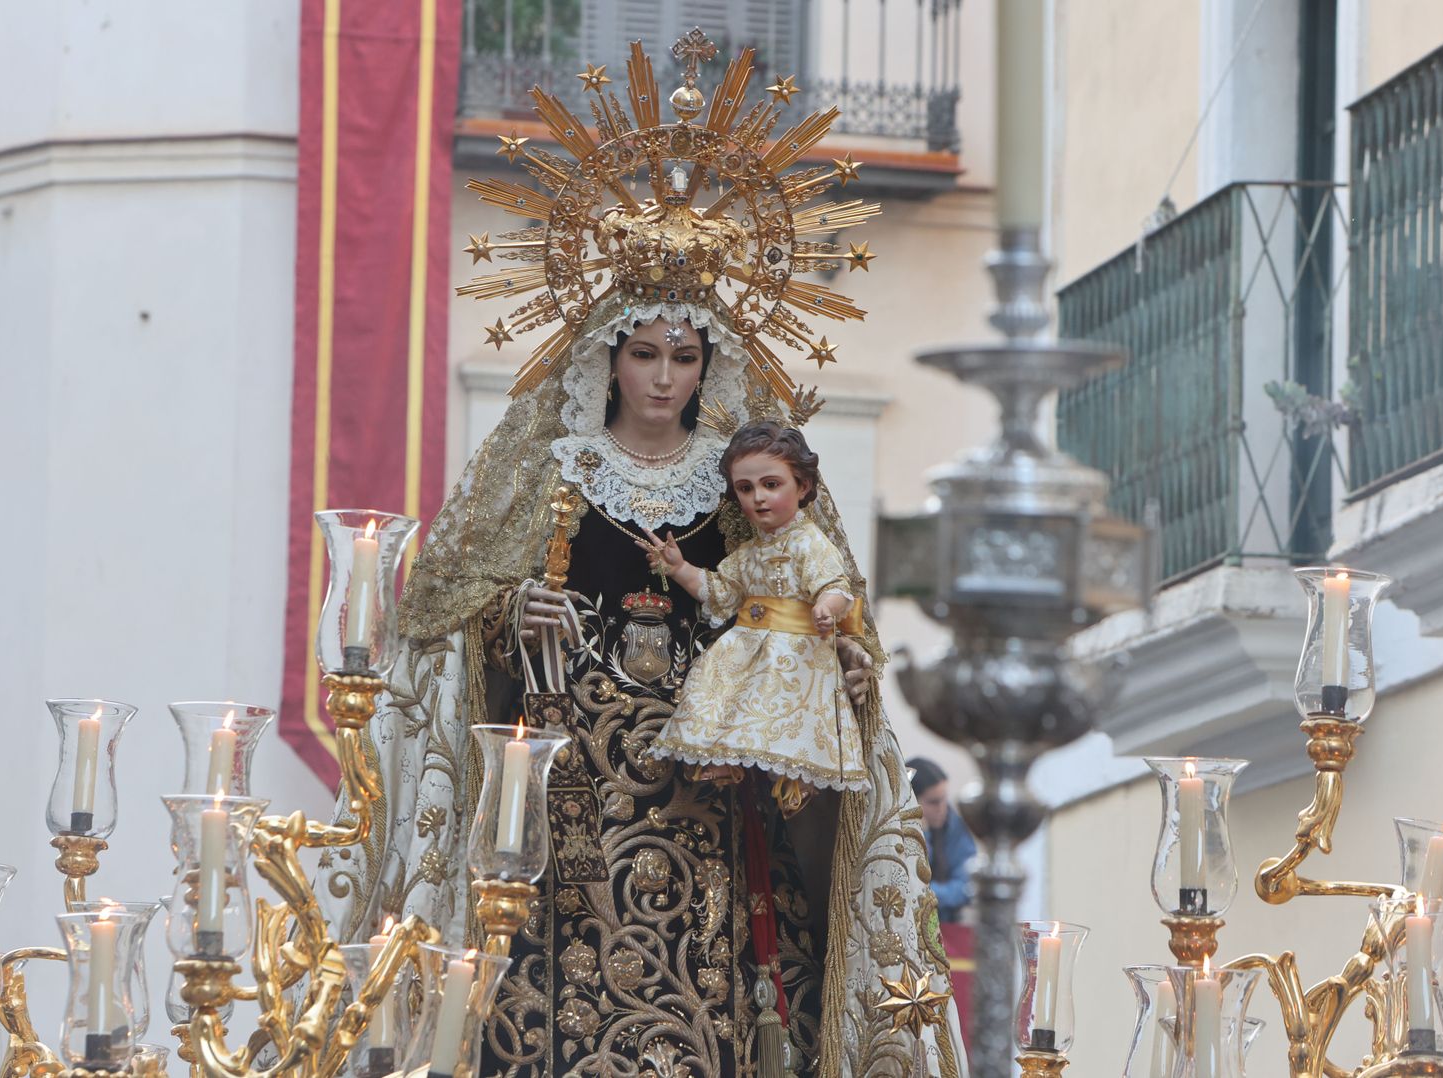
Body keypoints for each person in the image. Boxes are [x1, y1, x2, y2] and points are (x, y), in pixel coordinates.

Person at [318, 34, 965, 1078]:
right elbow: (445, 621)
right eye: (645, 354)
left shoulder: (747, 482)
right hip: (564, 812)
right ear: (608, 357)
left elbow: (816, 601)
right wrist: (508, 618)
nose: (664, 379)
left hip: (717, 804)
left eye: (685, 357)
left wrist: (835, 657)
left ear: (709, 363)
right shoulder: (548, 474)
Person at [642, 421, 869, 818]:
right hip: (748, 644)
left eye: (771, 484)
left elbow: (837, 586)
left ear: (802, 486)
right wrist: (678, 568)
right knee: (712, 683)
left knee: (777, 703)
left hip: (793, 649)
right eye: (746, 489)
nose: (758, 498)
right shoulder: (748, 553)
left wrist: (826, 607)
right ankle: (720, 757)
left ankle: (792, 777)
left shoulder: (809, 542)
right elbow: (720, 592)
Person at [907, 757, 979, 923]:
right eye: (933, 802)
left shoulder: (953, 824)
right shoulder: (897, 831)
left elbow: (968, 886)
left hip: (947, 923)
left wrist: (930, 894)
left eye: (944, 799)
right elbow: (909, 885)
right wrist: (922, 834)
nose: (942, 808)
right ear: (911, 801)